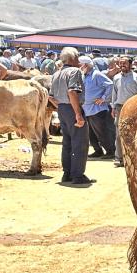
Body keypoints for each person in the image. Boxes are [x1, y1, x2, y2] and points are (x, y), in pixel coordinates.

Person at [49, 47, 93, 185]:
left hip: (62, 108)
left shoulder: (57, 74)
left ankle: (67, 173)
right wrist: (78, 114)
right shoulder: (75, 72)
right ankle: (78, 175)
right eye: (77, 56)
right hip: (72, 108)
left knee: (67, 143)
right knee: (80, 143)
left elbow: (51, 97)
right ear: (73, 58)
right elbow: (72, 92)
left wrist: (61, 108)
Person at [109, 56, 137, 167]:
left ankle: (134, 158)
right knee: (119, 134)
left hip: (134, 109)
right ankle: (119, 158)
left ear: (130, 64)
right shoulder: (116, 78)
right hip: (120, 108)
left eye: (124, 63)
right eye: (120, 63)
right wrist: (113, 108)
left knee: (134, 134)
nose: (122, 65)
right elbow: (114, 94)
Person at [79, 55, 115, 160]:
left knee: (102, 132)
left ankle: (110, 151)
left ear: (85, 65)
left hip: (97, 109)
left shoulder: (97, 74)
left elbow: (110, 85)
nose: (79, 67)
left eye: (80, 65)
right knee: (91, 133)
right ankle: (97, 150)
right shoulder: (83, 75)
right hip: (87, 109)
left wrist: (103, 98)